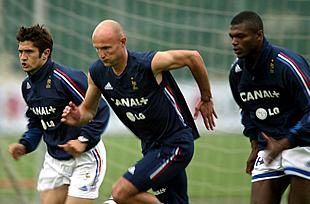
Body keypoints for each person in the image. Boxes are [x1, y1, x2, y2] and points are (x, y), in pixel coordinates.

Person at [61, 19, 217, 204]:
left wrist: (206, 98)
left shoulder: (147, 64)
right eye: (97, 49)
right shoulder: (97, 72)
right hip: (151, 147)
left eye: (106, 48)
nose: (102, 54)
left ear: (123, 42)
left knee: (121, 192)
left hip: (175, 144)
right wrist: (77, 116)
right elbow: (88, 111)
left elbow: (193, 57)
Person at [8, 24, 110, 204]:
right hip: (55, 160)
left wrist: (83, 140)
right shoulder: (27, 87)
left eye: (29, 52)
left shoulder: (65, 78)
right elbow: (38, 123)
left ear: (45, 54)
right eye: (20, 52)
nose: (23, 57)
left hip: (86, 157)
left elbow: (101, 109)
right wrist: (24, 145)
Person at [228, 11, 310, 204]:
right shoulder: (237, 72)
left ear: (259, 36)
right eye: (232, 36)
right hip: (269, 146)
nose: (234, 42)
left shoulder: (287, 65)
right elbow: (247, 111)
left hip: (302, 143)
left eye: (241, 36)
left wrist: (286, 142)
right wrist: (255, 144)